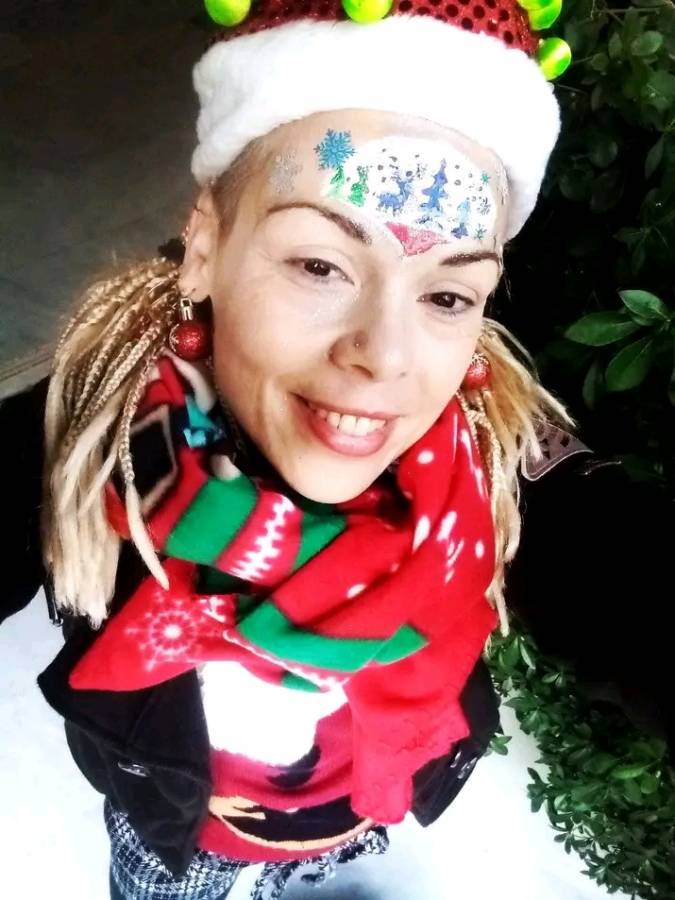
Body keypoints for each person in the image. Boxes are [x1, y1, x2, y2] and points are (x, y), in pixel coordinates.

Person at [2, 2, 672, 899]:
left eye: (446, 296)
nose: (384, 358)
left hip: (355, 810)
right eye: (320, 265)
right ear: (203, 246)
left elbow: (627, 576)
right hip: (176, 821)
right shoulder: (95, 430)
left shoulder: (481, 455)